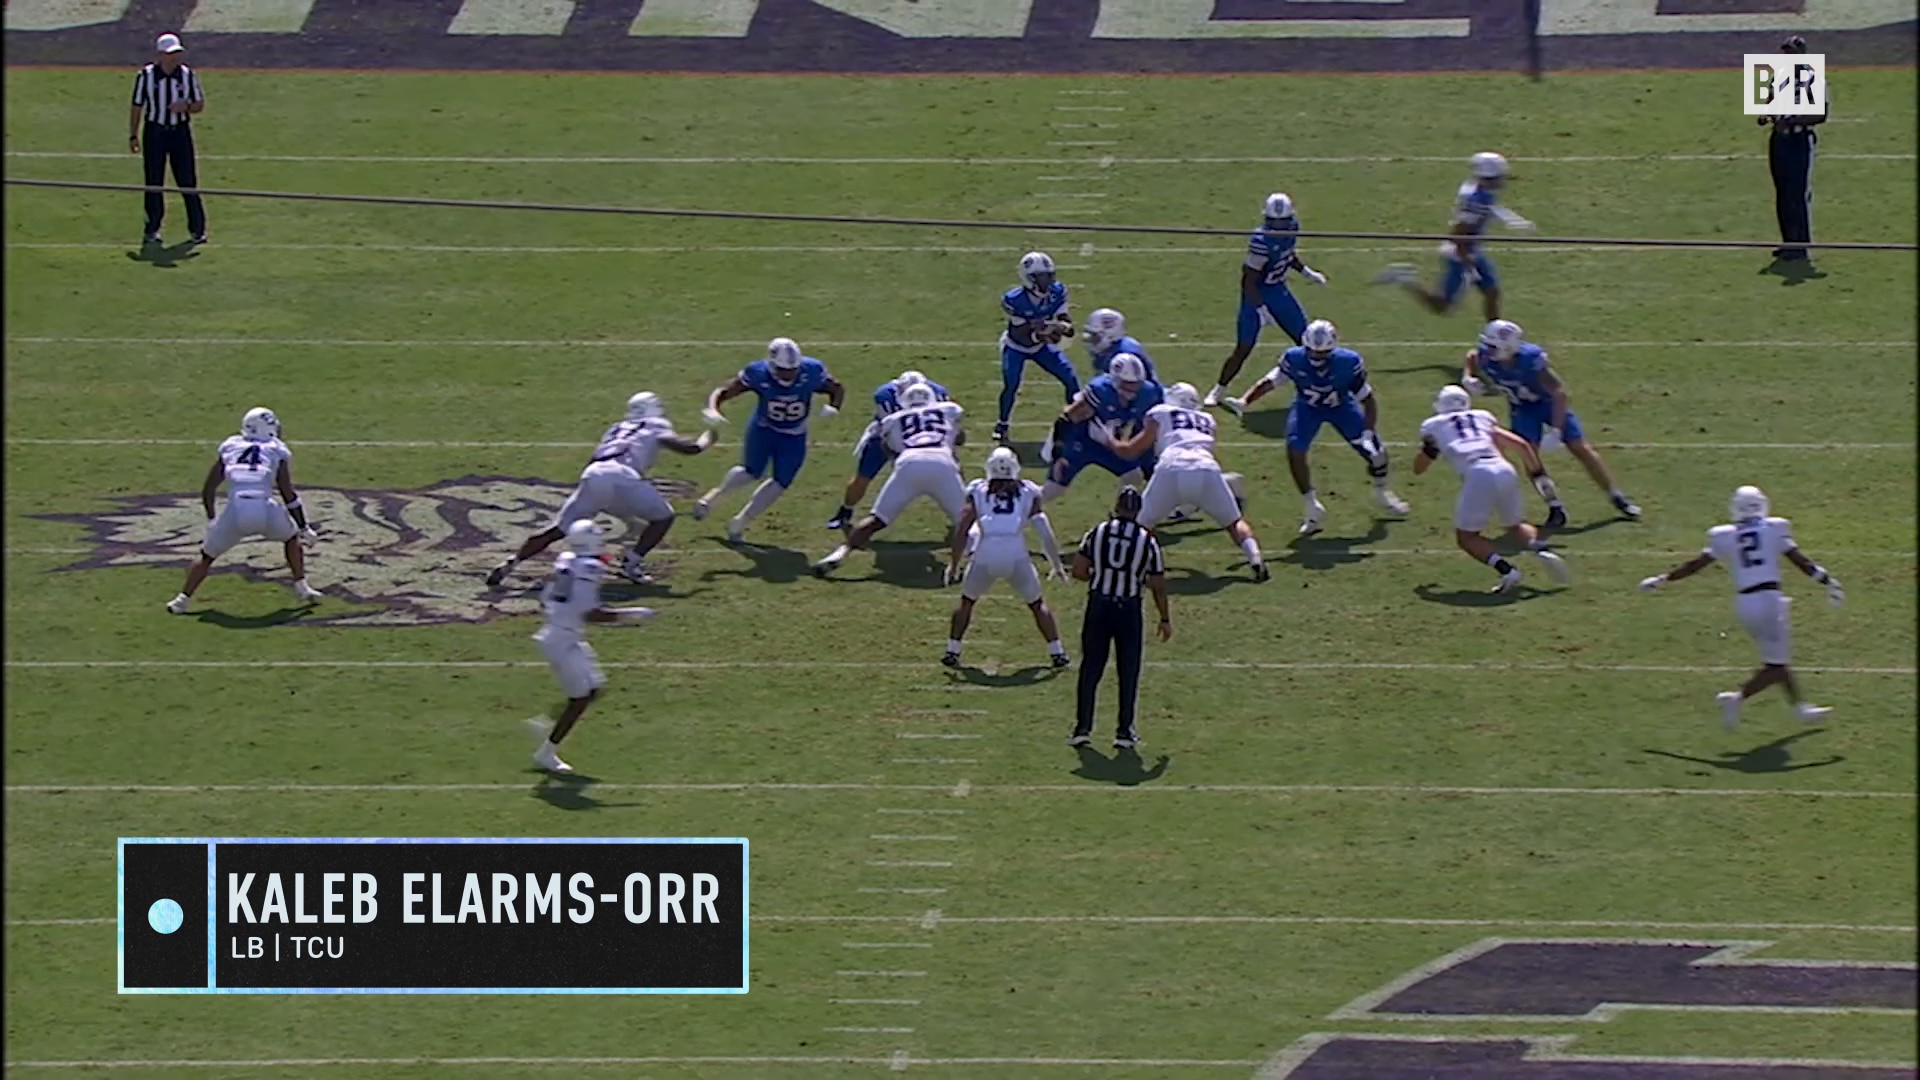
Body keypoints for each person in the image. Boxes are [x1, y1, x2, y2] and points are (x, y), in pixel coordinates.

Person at [1638, 485, 1841, 729]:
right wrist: (1827, 581)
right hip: (1768, 600)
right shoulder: (1774, 528)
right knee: (1777, 664)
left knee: (1776, 658)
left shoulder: (1725, 535)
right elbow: (1801, 561)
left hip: (1745, 603)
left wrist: (1662, 579)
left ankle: (1800, 708)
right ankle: (1736, 699)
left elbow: (1695, 565)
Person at [487, 392, 713, 588]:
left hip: (593, 473)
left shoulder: (616, 428)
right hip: (621, 476)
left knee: (558, 528)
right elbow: (689, 448)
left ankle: (512, 562)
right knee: (664, 517)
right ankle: (631, 563)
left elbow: (597, 457)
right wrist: (707, 438)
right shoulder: (655, 424)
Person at [1223, 319, 1409, 535]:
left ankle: (1382, 492)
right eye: (1312, 351)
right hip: (1308, 408)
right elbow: (1271, 381)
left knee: (1377, 454)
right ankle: (1312, 507)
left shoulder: (1348, 362)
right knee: (1295, 449)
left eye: (1322, 353)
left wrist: (1368, 432)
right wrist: (1245, 401)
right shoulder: (1294, 358)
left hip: (1341, 407)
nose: (1317, 357)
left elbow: (1368, 400)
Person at [1463, 319, 1640, 526]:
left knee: (1579, 447)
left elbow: (1558, 391)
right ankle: (1554, 506)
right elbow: (1472, 356)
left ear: (1509, 348)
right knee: (1530, 457)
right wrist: (1468, 377)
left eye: (1493, 347)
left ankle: (1616, 496)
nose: (1487, 351)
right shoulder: (1487, 357)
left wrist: (1556, 430)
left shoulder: (1530, 359)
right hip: (1522, 409)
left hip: (1548, 404)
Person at [526, 521, 658, 774]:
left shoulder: (567, 560)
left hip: (563, 633)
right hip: (562, 640)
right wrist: (632, 615)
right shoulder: (588, 567)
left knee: (595, 688)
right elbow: (591, 614)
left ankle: (545, 723)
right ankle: (546, 753)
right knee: (580, 699)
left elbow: (548, 595)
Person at [1101, 382, 1266, 581]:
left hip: (1171, 467)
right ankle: (1255, 559)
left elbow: (1131, 451)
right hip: (1206, 468)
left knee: (1141, 525)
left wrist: (1108, 438)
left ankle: (1135, 566)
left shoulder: (1161, 412)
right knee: (1234, 523)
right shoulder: (1207, 419)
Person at [1414, 385, 1569, 594]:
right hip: (1504, 468)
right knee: (1515, 525)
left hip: (1478, 473)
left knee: (1467, 537)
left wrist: (1424, 457)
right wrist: (1538, 473)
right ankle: (1541, 549)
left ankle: (1507, 571)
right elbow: (1522, 445)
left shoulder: (1433, 425)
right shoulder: (1482, 417)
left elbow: (1420, 467)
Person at [167, 407, 322, 613]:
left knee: (207, 556)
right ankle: (301, 586)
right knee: (292, 538)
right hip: (265, 509)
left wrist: (212, 519)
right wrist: (304, 527)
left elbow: (209, 488)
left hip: (236, 511)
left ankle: (181, 600)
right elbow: (287, 493)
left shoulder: (231, 446)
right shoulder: (276, 448)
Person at [695, 337, 844, 542]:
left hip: (794, 434)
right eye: (783, 370)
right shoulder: (758, 372)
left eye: (793, 369)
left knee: (781, 481)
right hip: (764, 429)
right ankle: (712, 498)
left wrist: (834, 406)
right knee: (751, 471)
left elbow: (836, 388)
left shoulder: (811, 370)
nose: (789, 374)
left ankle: (740, 522)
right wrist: (713, 408)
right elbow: (724, 391)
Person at [814, 383, 966, 577]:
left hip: (909, 464)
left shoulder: (893, 419)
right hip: (942, 463)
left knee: (876, 519)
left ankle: (840, 553)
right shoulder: (949, 409)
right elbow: (960, 439)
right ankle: (973, 559)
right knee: (966, 520)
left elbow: (888, 449)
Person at [941, 448, 1068, 670]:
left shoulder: (978, 489)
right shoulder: (1028, 490)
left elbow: (963, 528)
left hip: (986, 552)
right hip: (1015, 552)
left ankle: (952, 650)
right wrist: (1056, 564)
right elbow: (1043, 529)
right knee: (1037, 604)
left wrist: (954, 564)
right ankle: (1057, 653)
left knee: (967, 602)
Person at [1373, 152, 1532, 321]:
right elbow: (1458, 234)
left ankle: (1494, 330)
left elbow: (1490, 208)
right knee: (1442, 306)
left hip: (1472, 250)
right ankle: (1404, 278)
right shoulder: (1475, 200)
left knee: (1492, 292)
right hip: (1460, 253)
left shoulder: (1480, 190)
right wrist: (1468, 265)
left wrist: (1512, 219)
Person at [1203, 192, 1329, 407]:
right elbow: (1248, 281)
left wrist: (1306, 272)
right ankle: (1219, 389)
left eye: (1282, 222)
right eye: (1275, 222)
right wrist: (1261, 309)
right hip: (1256, 294)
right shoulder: (1261, 241)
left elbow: (1287, 255)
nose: (1279, 227)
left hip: (1278, 290)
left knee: (1306, 341)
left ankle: (1317, 389)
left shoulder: (1292, 229)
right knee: (1244, 347)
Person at [1070, 488, 1171, 750]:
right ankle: (1124, 731)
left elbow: (1078, 570)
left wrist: (1100, 576)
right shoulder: (1147, 541)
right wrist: (1164, 618)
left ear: (1116, 507)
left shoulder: (1098, 532)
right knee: (1128, 670)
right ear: (1138, 510)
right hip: (1129, 609)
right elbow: (1158, 584)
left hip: (1099, 604)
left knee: (1091, 667)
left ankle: (1082, 728)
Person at [825, 369, 950, 531]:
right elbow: (889, 432)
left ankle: (963, 512)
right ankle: (845, 512)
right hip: (886, 435)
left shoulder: (938, 393)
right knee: (863, 476)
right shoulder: (885, 396)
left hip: (925, 435)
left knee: (952, 466)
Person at [1044, 352, 1162, 502]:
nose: (1132, 388)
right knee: (1054, 489)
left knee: (1133, 475)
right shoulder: (1100, 391)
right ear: (1115, 379)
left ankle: (1121, 513)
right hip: (1079, 441)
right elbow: (1066, 419)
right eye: (1127, 383)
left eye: (1136, 383)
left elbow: (1147, 427)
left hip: (1106, 444)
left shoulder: (1147, 393)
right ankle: (1023, 510)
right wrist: (1059, 454)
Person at [130, 32, 207, 246]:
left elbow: (199, 104)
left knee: (187, 181)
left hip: (180, 132)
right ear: (160, 55)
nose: (175, 58)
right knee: (154, 182)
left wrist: (186, 107)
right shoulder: (146, 76)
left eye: (177, 53)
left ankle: (198, 229)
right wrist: (133, 135)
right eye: (170, 54)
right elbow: (137, 106)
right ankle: (152, 228)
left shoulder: (187, 75)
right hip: (155, 132)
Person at [995, 251, 1078, 444]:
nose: (1046, 281)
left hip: (1041, 346)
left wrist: (1064, 327)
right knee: (1011, 384)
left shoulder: (1057, 292)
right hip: (1016, 346)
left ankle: (1076, 422)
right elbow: (1020, 333)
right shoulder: (1015, 300)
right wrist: (1043, 335)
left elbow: (1066, 321)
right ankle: (1002, 424)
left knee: (1070, 377)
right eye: (1041, 277)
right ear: (1028, 278)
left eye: (1048, 276)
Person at [1761, 36, 1827, 263]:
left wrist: (1791, 121)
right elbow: (1770, 100)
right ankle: (1788, 241)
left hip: (1799, 139)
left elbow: (1820, 114)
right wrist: (1766, 114)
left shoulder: (1813, 78)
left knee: (1796, 193)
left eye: (1792, 53)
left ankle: (1800, 245)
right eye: (1786, 52)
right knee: (1782, 192)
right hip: (1779, 139)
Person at [1081, 308, 1158, 383]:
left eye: (1095, 336)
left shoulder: (1123, 355)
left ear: (1109, 335)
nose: (1092, 341)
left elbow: (1132, 386)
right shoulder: (1111, 350)